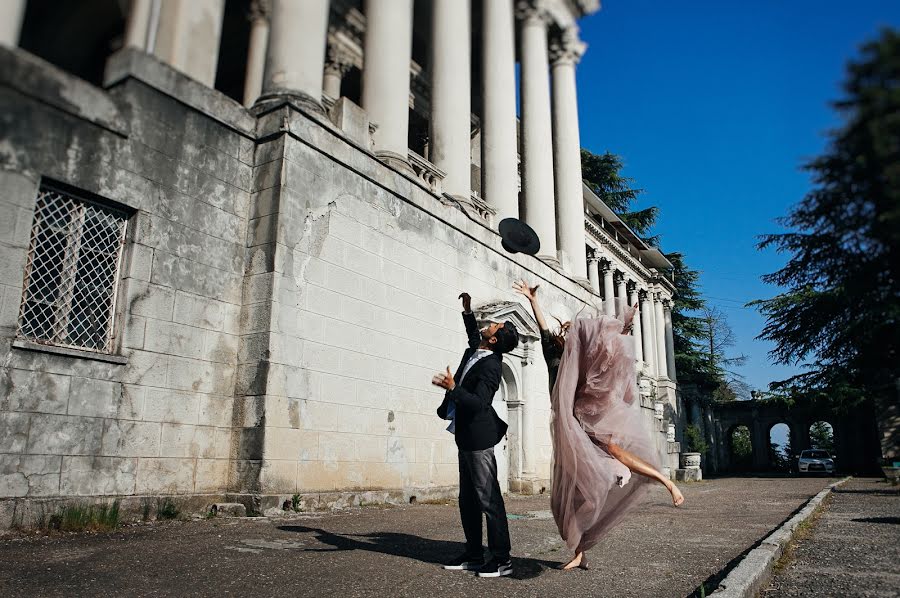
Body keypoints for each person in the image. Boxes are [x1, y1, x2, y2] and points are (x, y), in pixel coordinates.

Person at [513, 280, 684, 571]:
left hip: (587, 418)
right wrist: (533, 301)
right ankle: (580, 551)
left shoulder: (590, 360)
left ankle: (666, 481)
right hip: (567, 424)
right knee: (568, 494)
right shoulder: (555, 355)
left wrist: (627, 323)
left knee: (615, 451)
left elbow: (613, 346)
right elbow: (544, 332)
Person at [432, 292, 520, 578]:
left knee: (488, 500)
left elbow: (480, 403)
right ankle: (473, 554)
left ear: (494, 340)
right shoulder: (476, 349)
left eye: (495, 326)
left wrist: (453, 388)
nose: (490, 324)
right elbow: (473, 334)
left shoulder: (492, 366)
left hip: (480, 440)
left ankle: (502, 559)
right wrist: (468, 312)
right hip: (465, 437)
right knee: (467, 499)